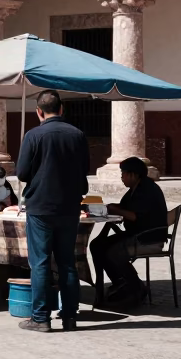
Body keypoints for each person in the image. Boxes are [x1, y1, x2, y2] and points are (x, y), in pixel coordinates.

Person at [15, 89, 89, 333]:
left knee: (41, 263)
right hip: (69, 207)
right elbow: (85, 168)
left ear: (38, 111)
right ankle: (69, 316)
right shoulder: (77, 134)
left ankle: (40, 318)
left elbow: (23, 173)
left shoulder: (33, 135)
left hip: (41, 207)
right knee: (67, 262)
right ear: (61, 109)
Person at [90, 157, 168, 309]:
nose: (122, 178)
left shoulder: (147, 189)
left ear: (133, 174)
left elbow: (134, 215)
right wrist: (114, 207)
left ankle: (134, 288)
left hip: (148, 237)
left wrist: (115, 210)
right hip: (137, 233)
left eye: (123, 174)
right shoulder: (135, 189)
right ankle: (120, 283)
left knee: (113, 252)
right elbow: (126, 207)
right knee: (98, 245)